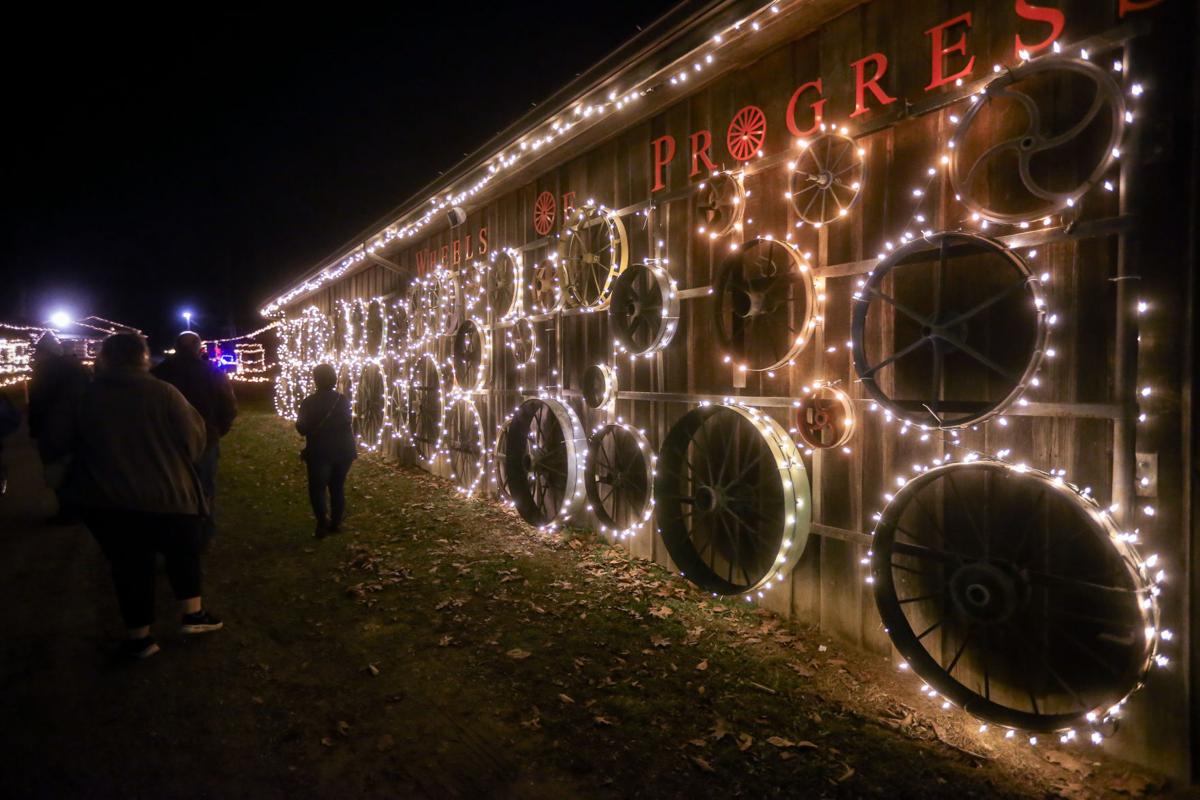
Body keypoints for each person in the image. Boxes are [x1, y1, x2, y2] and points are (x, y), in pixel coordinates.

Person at [45, 332, 222, 659]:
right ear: (143, 357)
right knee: (182, 553)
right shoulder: (166, 394)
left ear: (105, 358)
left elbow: (58, 442)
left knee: (129, 567)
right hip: (170, 494)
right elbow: (195, 439)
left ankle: (140, 636)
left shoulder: (85, 397)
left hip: (110, 500)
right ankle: (193, 614)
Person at [152, 331, 237, 548]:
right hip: (205, 440)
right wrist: (217, 431)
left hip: (168, 442)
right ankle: (203, 536)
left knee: (170, 488)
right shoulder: (212, 372)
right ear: (198, 347)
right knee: (205, 488)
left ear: (177, 347)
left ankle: (174, 536)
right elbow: (228, 406)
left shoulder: (160, 373)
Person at [27, 332, 88, 520]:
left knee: (57, 469)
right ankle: (78, 508)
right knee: (73, 468)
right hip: (76, 425)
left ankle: (68, 511)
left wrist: (35, 429)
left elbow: (38, 403)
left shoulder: (44, 372)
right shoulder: (77, 369)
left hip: (53, 426)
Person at [295, 363, 356, 538]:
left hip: (320, 450)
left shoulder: (309, 402)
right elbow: (347, 422)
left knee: (318, 488)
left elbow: (302, 428)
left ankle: (322, 523)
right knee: (337, 487)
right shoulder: (342, 400)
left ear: (316, 380)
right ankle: (336, 523)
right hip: (344, 450)